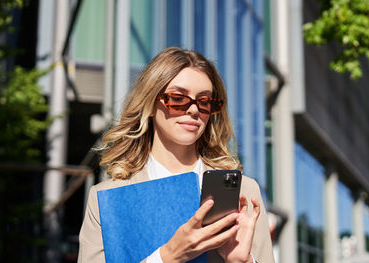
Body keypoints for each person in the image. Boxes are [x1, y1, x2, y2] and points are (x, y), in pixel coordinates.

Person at [78, 47, 274, 263]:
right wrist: (167, 257)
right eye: (178, 98)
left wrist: (241, 262)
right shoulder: (107, 198)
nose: (193, 110)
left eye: (204, 101)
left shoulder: (243, 192)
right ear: (150, 104)